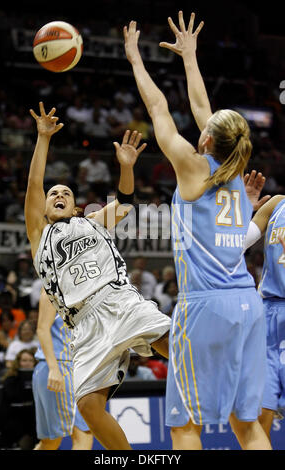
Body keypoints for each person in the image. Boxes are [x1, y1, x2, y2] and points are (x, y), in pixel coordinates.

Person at [124, 12, 271, 450]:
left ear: (207, 140)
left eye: (206, 128)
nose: (201, 125)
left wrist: (135, 58)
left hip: (205, 307)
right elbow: (205, 110)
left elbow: (158, 108)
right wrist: (190, 57)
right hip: (247, 301)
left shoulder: (192, 166)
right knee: (246, 422)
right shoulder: (235, 164)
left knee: (185, 424)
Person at [24, 102, 170, 450]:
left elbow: (125, 201)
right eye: (53, 193)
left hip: (116, 299)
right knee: (88, 406)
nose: (57, 195)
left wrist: (127, 168)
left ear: (77, 207)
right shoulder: (38, 236)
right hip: (84, 326)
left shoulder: (91, 222)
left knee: (174, 344)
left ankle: (217, 382)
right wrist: (43, 138)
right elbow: (34, 183)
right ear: (43, 208)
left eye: (66, 193)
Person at [244, 194, 285, 445]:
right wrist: (242, 211)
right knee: (260, 416)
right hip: (267, 316)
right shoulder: (276, 203)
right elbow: (232, 246)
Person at [33, 288, 93, 450]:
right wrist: (54, 369)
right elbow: (42, 329)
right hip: (59, 366)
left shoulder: (81, 291)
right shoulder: (52, 290)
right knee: (83, 435)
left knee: (50, 442)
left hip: (52, 367)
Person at [0, 349, 37, 449]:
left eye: (31, 360)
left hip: (33, 415)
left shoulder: (39, 378)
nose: (27, 363)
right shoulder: (10, 379)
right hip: (14, 416)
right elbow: (15, 397)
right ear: (18, 362)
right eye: (24, 360)